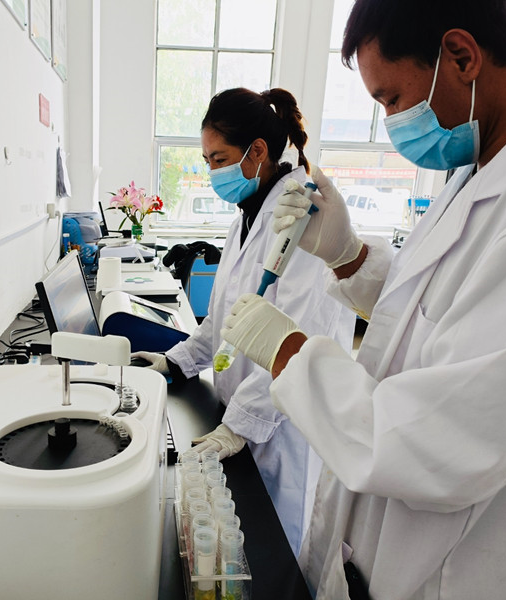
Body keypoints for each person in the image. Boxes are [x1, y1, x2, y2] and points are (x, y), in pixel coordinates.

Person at [219, 1, 506, 598]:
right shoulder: (479, 168)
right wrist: (347, 255)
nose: (392, 124)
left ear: (461, 56)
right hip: (379, 549)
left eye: (392, 99)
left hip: (453, 572)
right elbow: (434, 313)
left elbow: (452, 438)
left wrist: (289, 352)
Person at [135, 87, 355, 554]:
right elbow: (222, 318)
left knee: (275, 549)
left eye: (219, 159)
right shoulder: (247, 215)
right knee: (241, 541)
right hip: (240, 409)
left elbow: (298, 343)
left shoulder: (302, 217)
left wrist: (240, 425)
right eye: (207, 161)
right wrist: (175, 362)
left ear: (257, 152)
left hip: (281, 424)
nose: (212, 172)